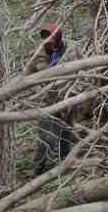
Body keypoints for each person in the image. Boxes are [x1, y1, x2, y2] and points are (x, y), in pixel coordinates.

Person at [28, 24, 75, 174]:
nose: (46, 40)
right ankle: (37, 169)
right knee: (46, 137)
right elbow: (27, 75)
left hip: (67, 97)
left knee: (66, 133)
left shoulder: (69, 51)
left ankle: (66, 164)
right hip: (46, 101)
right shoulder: (39, 54)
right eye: (43, 36)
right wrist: (38, 92)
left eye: (49, 36)